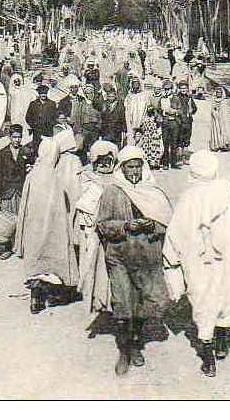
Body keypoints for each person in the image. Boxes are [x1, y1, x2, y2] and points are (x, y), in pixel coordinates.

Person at [164, 151, 230, 377]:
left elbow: (176, 233)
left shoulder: (188, 199)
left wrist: (172, 259)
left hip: (199, 261)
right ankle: (220, 343)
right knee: (224, 297)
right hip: (223, 260)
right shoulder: (224, 193)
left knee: (204, 301)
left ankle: (209, 357)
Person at [96, 146, 174, 376]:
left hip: (147, 256)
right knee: (123, 303)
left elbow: (167, 223)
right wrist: (124, 226)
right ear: (122, 168)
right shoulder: (112, 191)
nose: (134, 172)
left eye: (137, 166)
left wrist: (153, 225)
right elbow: (102, 224)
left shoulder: (152, 190)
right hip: (119, 255)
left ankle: (137, 344)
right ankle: (124, 351)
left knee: (142, 303)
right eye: (129, 167)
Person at [14, 133, 81, 314]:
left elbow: (25, 203)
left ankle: (35, 299)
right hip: (52, 227)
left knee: (36, 260)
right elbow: (62, 205)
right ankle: (55, 294)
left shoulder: (33, 173)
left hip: (33, 227)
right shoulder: (54, 177)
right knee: (53, 261)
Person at [74, 141, 120, 316]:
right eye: (100, 160)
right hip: (92, 231)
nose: (104, 164)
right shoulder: (86, 177)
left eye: (108, 160)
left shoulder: (119, 177)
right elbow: (83, 204)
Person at [0, 124, 35, 251]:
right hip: (7, 192)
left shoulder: (27, 152)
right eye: (14, 137)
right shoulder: (2, 154)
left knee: (22, 218)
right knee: (7, 221)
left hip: (21, 191)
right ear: (9, 137)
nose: (17, 140)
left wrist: (30, 169)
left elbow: (32, 169)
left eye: (19, 137)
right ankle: (7, 247)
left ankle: (21, 246)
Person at [70, 84, 102, 162]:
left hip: (94, 129)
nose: (89, 94)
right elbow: (77, 116)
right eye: (87, 93)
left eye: (91, 92)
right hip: (84, 128)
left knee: (93, 147)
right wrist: (78, 129)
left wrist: (98, 127)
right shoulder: (81, 103)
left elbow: (100, 116)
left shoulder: (96, 104)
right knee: (82, 147)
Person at [171, 80, 198, 166]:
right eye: (181, 88)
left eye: (185, 88)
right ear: (179, 89)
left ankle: (185, 157)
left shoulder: (189, 98)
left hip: (188, 121)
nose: (183, 90)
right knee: (179, 139)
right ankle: (178, 157)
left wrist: (192, 110)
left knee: (186, 139)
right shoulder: (176, 98)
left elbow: (194, 108)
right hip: (179, 121)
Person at [25, 84, 58, 154]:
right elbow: (28, 117)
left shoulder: (52, 104)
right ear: (39, 94)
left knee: (47, 148)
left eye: (45, 93)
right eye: (41, 93)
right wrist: (33, 125)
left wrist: (51, 124)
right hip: (37, 130)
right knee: (37, 148)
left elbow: (55, 117)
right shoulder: (33, 104)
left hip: (48, 130)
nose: (43, 95)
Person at [8, 74, 35, 146]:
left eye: (18, 81)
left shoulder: (23, 89)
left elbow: (28, 97)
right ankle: (15, 138)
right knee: (15, 122)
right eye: (15, 81)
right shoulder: (11, 90)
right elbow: (10, 101)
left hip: (23, 108)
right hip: (14, 109)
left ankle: (24, 139)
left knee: (23, 122)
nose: (17, 83)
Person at [124, 77, 150, 146]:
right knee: (131, 136)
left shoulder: (144, 95)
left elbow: (147, 107)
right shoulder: (129, 96)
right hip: (132, 121)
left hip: (142, 119)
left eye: (137, 84)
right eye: (134, 84)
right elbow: (127, 109)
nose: (135, 85)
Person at [137, 105, 164, 170]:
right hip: (147, 136)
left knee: (153, 150)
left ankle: (154, 164)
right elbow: (141, 127)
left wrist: (158, 134)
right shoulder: (144, 118)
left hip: (153, 136)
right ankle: (148, 163)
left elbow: (159, 126)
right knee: (147, 150)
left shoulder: (155, 118)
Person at [209, 86, 230, 152]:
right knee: (216, 130)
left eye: (220, 92)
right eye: (217, 92)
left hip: (223, 120)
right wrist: (215, 113)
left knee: (224, 130)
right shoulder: (214, 100)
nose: (219, 94)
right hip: (216, 118)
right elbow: (212, 109)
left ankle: (224, 144)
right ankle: (217, 145)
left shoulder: (224, 101)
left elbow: (226, 112)